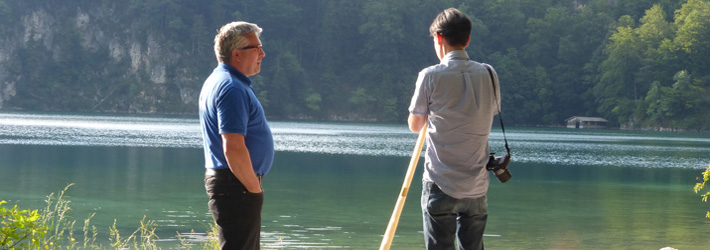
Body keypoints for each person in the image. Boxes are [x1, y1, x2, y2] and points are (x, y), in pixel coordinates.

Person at [407, 8, 501, 250]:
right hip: (476, 186)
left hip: (441, 183)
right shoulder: (489, 74)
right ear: (467, 39)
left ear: (439, 38)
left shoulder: (430, 75)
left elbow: (416, 126)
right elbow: (487, 113)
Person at [198, 21, 273, 250]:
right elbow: (233, 147)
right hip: (236, 185)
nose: (262, 53)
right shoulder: (231, 87)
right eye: (256, 48)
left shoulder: (223, 81)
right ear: (237, 54)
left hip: (234, 184)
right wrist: (253, 188)